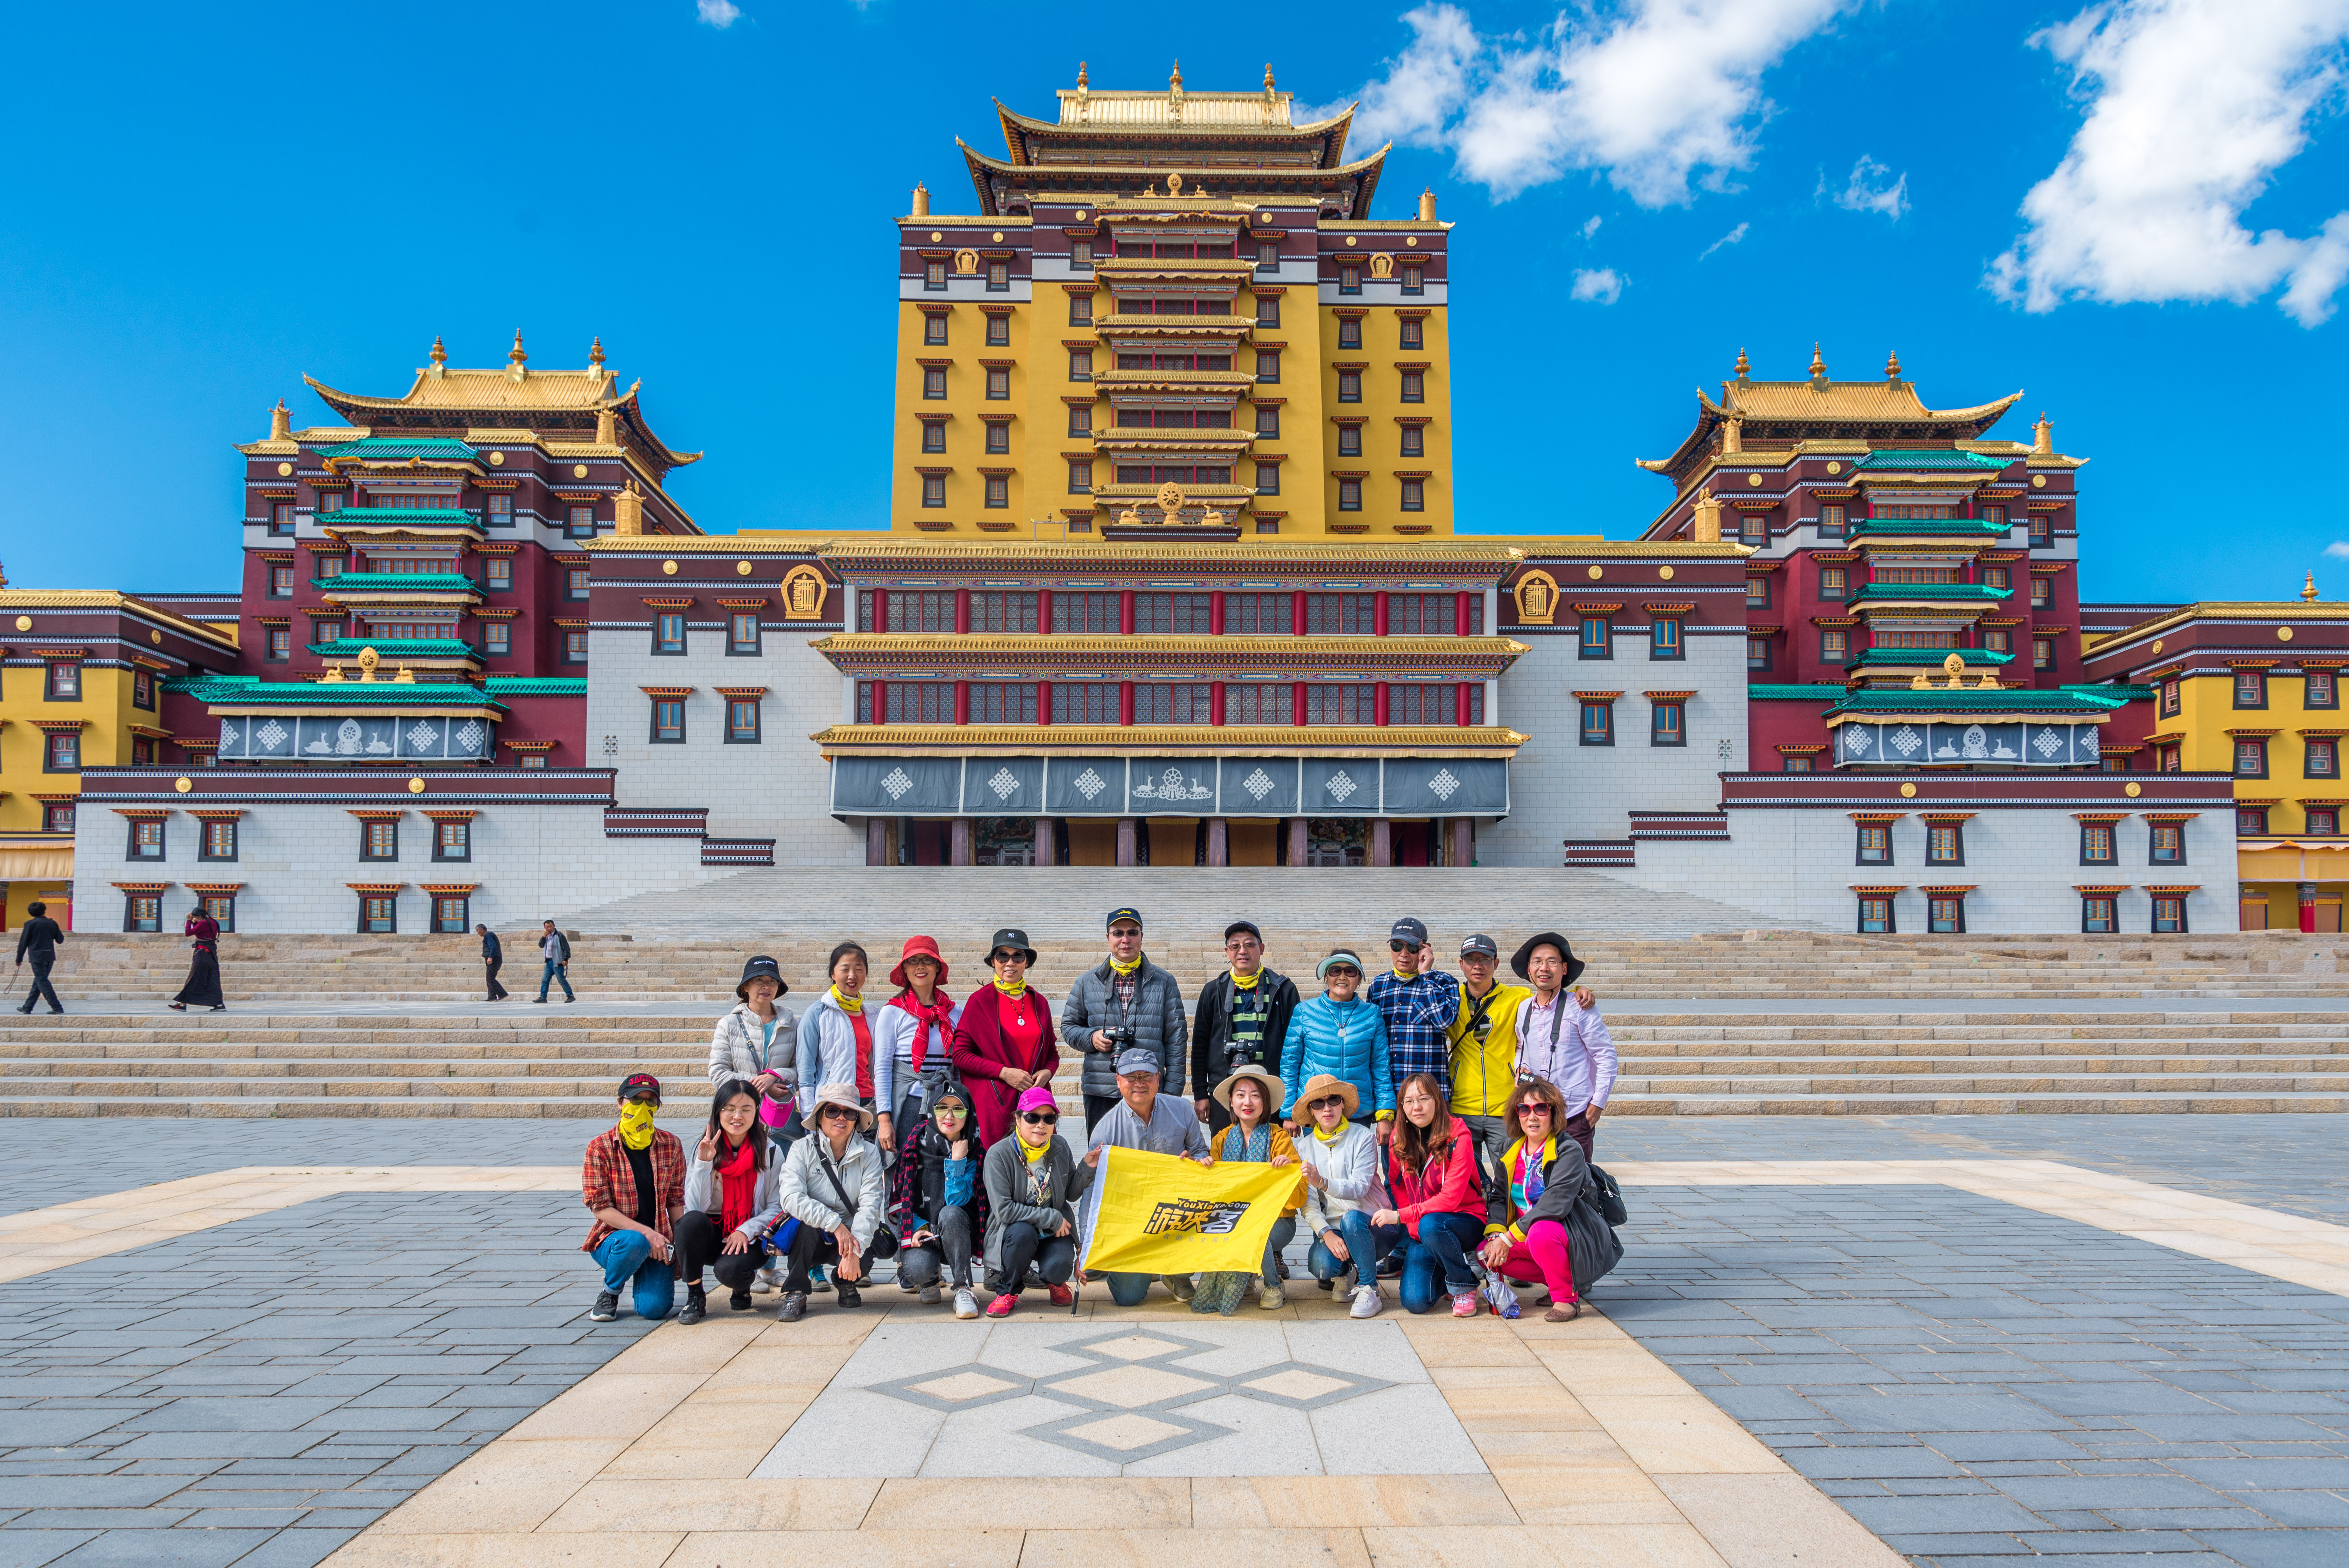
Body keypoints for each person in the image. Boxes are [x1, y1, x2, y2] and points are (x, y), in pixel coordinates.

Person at [1083, 1047, 1209, 1305]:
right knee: (1128, 1296)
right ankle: (1134, 1267)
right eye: (1131, 1077)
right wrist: (1088, 1246)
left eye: (1147, 1076)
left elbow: (1200, 1151)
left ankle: (1177, 1274)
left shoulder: (1182, 1110)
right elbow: (1092, 1192)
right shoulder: (1106, 1130)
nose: (1139, 1083)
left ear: (1158, 1078)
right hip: (1132, 1220)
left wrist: (1196, 1163)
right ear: (1118, 1081)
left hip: (1175, 1210)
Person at [708, 955, 802, 1294]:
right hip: (741, 1118)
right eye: (759, 981)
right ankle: (751, 1262)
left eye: (772, 981)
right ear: (746, 987)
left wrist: (777, 1077)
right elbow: (718, 1072)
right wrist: (756, 1082)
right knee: (750, 1189)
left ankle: (771, 1264)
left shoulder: (791, 1022)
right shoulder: (729, 1024)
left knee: (781, 1189)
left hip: (781, 1118)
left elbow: (801, 1067)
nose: (766, 986)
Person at [1061, 907, 1188, 1132]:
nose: (1125, 940)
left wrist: (1171, 1092)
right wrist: (1092, 1038)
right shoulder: (1087, 982)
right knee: (1103, 1153)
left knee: (1149, 1153)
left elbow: (1176, 1040)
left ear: (1142, 936)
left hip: (1147, 1090)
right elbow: (1069, 1027)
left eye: (1133, 933)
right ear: (1108, 938)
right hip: (1101, 1089)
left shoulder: (1164, 982)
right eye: (1118, 933)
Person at [774, 1083, 893, 1322]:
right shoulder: (801, 1149)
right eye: (832, 1111)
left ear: (856, 1120)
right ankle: (796, 1291)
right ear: (820, 1117)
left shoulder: (869, 1153)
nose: (841, 1118)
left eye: (849, 1113)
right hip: (813, 1233)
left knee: (865, 1242)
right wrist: (834, 1225)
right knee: (803, 1226)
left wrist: (854, 1251)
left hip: (850, 1235)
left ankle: (845, 1282)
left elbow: (870, 1206)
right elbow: (790, 1198)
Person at [1371, 1072, 1486, 1317]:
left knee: (1432, 1225)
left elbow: (1451, 1198)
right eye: (1409, 1101)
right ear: (1402, 1107)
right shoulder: (1398, 1138)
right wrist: (1413, 1223)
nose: (1417, 1107)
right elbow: (1397, 1184)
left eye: (1424, 1099)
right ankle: (1449, 1269)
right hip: (1424, 1226)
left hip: (1465, 1220)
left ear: (1437, 1100)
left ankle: (1465, 1284)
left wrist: (1402, 1216)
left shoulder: (1458, 1137)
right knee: (1415, 1302)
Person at [1479, 1077, 1593, 1323]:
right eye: (1524, 1109)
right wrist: (1496, 1235)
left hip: (1566, 1234)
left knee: (1540, 1233)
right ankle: (1564, 1281)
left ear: (1554, 1114)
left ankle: (1566, 1300)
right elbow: (1499, 1197)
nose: (1532, 1117)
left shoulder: (1568, 1150)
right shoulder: (1511, 1149)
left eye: (1541, 1109)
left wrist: (1508, 1238)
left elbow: (1555, 1204)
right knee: (1487, 1252)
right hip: (1525, 1235)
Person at [675, 1080, 786, 1324]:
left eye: (746, 1109)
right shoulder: (705, 1148)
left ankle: (741, 1286)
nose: (738, 1116)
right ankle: (695, 1296)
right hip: (713, 1231)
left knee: (731, 1272)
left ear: (756, 1112)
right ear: (719, 1111)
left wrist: (745, 1231)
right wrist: (704, 1164)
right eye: (730, 1109)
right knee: (689, 1223)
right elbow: (695, 1208)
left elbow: (777, 1207)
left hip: (751, 1235)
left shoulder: (770, 1151)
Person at [1194, 1066, 1301, 1314]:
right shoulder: (1221, 1139)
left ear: (1266, 1101)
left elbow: (1299, 1191)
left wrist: (1289, 1171)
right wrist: (1204, 1167)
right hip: (1235, 1217)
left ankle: (1274, 1285)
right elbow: (1212, 1193)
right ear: (1231, 1102)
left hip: (1277, 1221)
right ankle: (1246, 1275)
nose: (1248, 1102)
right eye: (1241, 1095)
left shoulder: (1279, 1138)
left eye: (1255, 1095)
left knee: (1254, 1233)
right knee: (1228, 1227)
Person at [582, 1073, 684, 1323]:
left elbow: (675, 1199)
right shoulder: (600, 1148)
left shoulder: (671, 1144)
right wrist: (647, 1234)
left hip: (660, 1239)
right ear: (621, 1103)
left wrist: (681, 1246)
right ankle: (610, 1292)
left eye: (651, 1101)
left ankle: (643, 1272)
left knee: (654, 1310)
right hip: (616, 1240)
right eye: (636, 1100)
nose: (643, 1107)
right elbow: (599, 1207)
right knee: (635, 1241)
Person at [982, 1085, 1090, 1318]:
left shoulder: (1060, 1146)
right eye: (1033, 1117)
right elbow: (1004, 1210)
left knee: (1059, 1266)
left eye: (1049, 1118)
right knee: (1022, 1234)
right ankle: (1007, 1291)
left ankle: (1055, 1281)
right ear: (1018, 1119)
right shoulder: (999, 1154)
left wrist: (1087, 1167)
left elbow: (1070, 1194)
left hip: (1053, 1231)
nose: (1041, 1125)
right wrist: (1052, 1218)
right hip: (1015, 1231)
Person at [1509, 933, 1615, 1160]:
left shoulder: (1580, 1006)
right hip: (1536, 1113)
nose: (1544, 968)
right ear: (1529, 969)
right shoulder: (1524, 1008)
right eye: (1537, 962)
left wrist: (1598, 1104)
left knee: (1577, 1178)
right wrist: (1520, 1068)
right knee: (1538, 1177)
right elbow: (1520, 1046)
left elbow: (1605, 1054)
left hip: (1574, 1112)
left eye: (1552, 962)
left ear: (1564, 969)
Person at [950, 929, 1058, 1149]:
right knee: (998, 1165)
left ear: (1026, 962)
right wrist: (1003, 1073)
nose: (1010, 963)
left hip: (1036, 1104)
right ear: (993, 961)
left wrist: (1048, 1072)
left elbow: (1052, 1053)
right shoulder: (980, 1002)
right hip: (996, 1105)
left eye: (1018, 956)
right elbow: (960, 1055)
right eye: (1003, 956)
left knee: (1040, 1163)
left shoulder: (1039, 1003)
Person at [1191, 921, 1300, 1135]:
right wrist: (1201, 1094)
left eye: (1250, 945)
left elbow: (1295, 1049)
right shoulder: (1213, 991)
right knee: (1225, 1150)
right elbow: (1200, 1046)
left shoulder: (1283, 990)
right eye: (1236, 946)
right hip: (1224, 1090)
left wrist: (1291, 1104)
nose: (1243, 951)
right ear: (1227, 952)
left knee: (1272, 1152)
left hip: (1270, 1090)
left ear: (1262, 948)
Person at [1294, 1073, 1388, 1318]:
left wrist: (1323, 1182)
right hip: (1335, 1228)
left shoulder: (1364, 1137)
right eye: (1318, 1103)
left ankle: (1370, 1288)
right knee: (1320, 1265)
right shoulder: (1305, 1147)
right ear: (1311, 1110)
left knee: (1352, 1219)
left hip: (1372, 1223)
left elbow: (1360, 1188)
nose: (1327, 1108)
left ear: (1343, 1104)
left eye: (1333, 1100)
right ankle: (1347, 1272)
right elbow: (1308, 1203)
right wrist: (1326, 1234)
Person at [891, 1084, 987, 1317]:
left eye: (958, 1109)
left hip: (958, 1230)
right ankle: (929, 1281)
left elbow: (957, 1200)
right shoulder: (916, 1145)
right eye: (942, 1108)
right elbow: (903, 1200)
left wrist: (957, 1161)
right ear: (932, 1110)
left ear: (969, 1113)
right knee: (917, 1270)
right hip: (926, 1230)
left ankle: (963, 1288)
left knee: (950, 1213)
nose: (950, 1116)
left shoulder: (974, 1148)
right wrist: (917, 1228)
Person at [1367, 918, 1460, 1140]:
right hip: (1393, 1096)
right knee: (1395, 1160)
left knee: (1437, 1157)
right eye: (1397, 946)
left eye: (1412, 948)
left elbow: (1445, 1020)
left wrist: (1426, 975)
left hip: (1431, 1096)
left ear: (1425, 949)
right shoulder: (1378, 986)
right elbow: (1372, 1043)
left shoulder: (1444, 982)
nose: (1404, 954)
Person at [1278, 951, 1393, 1131]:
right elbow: (1290, 1064)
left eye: (1350, 971)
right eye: (1335, 970)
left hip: (1358, 1111)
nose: (1342, 977)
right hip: (1317, 1108)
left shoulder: (1372, 1014)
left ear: (1359, 978)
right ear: (1326, 976)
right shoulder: (1304, 1011)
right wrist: (1288, 1112)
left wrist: (1385, 1114)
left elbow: (1380, 1066)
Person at [874, 936, 963, 1152]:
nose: (920, 966)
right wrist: (884, 1119)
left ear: (937, 967)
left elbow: (959, 1067)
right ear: (905, 968)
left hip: (945, 1106)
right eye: (913, 961)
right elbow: (883, 1068)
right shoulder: (892, 1013)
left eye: (928, 960)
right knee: (903, 1169)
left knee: (941, 1169)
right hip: (906, 1104)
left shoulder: (955, 1013)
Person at [799, 943, 880, 1142]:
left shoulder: (873, 1015)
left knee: (866, 1159)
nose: (852, 975)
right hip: (833, 1106)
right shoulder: (817, 1013)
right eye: (845, 969)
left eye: (859, 969)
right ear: (833, 974)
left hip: (867, 1104)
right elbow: (806, 1073)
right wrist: (810, 1118)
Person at [166, 906, 225, 1012]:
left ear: (200, 916)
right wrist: (195, 922)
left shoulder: (204, 923)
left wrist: (189, 922)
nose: (195, 919)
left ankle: (182, 1004)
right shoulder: (213, 922)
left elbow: (188, 933)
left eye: (196, 917)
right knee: (212, 979)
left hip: (202, 955)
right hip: (211, 954)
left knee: (193, 978)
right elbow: (201, 932)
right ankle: (219, 1005)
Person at [13, 900, 64, 1015]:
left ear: (31, 913)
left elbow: (23, 943)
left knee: (42, 982)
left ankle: (57, 1007)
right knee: (39, 981)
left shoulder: (30, 924)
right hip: (49, 957)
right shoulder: (52, 923)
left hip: (37, 957)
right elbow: (60, 940)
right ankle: (27, 1007)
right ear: (44, 910)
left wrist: (19, 959)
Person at [535, 919, 575, 1004]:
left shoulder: (559, 935)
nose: (549, 929)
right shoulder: (546, 936)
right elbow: (541, 945)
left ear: (554, 926)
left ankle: (570, 996)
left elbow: (566, 948)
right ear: (545, 928)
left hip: (557, 961)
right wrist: (544, 937)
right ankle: (543, 997)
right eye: (547, 927)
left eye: (551, 926)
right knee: (545, 980)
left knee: (561, 980)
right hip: (548, 962)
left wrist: (566, 959)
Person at [478, 924, 508, 1002]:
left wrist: (491, 957)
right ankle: (492, 997)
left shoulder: (489, 936)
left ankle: (503, 994)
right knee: (489, 978)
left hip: (494, 959)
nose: (478, 933)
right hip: (493, 959)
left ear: (482, 930)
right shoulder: (488, 936)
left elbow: (493, 947)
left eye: (478, 931)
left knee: (490, 978)